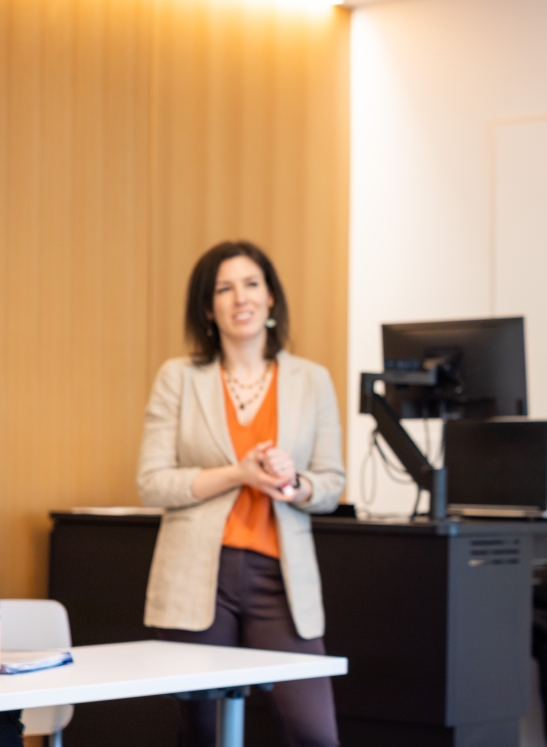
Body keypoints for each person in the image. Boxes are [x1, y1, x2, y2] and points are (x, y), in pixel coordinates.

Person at [138, 241, 345, 747]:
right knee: (201, 733)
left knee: (314, 732)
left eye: (251, 284)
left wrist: (292, 483)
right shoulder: (178, 378)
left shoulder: (312, 380)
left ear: (271, 297)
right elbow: (151, 483)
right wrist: (239, 473)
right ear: (208, 308)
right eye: (224, 289)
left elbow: (332, 485)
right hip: (197, 578)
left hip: (280, 578)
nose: (240, 298)